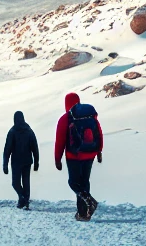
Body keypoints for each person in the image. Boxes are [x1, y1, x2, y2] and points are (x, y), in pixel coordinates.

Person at [54, 92, 103, 221]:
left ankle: (88, 202)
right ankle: (83, 213)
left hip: (74, 156)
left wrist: (57, 159)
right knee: (84, 181)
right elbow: (99, 133)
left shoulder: (65, 118)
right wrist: (99, 152)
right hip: (90, 154)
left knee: (73, 182)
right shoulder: (90, 115)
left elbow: (60, 141)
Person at [3, 110, 39, 210]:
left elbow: (7, 149)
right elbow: (35, 147)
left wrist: (5, 163)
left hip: (17, 162)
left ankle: (23, 199)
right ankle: (24, 199)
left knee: (16, 183)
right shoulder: (28, 130)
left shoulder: (13, 131)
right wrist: (36, 161)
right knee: (25, 182)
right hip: (26, 161)